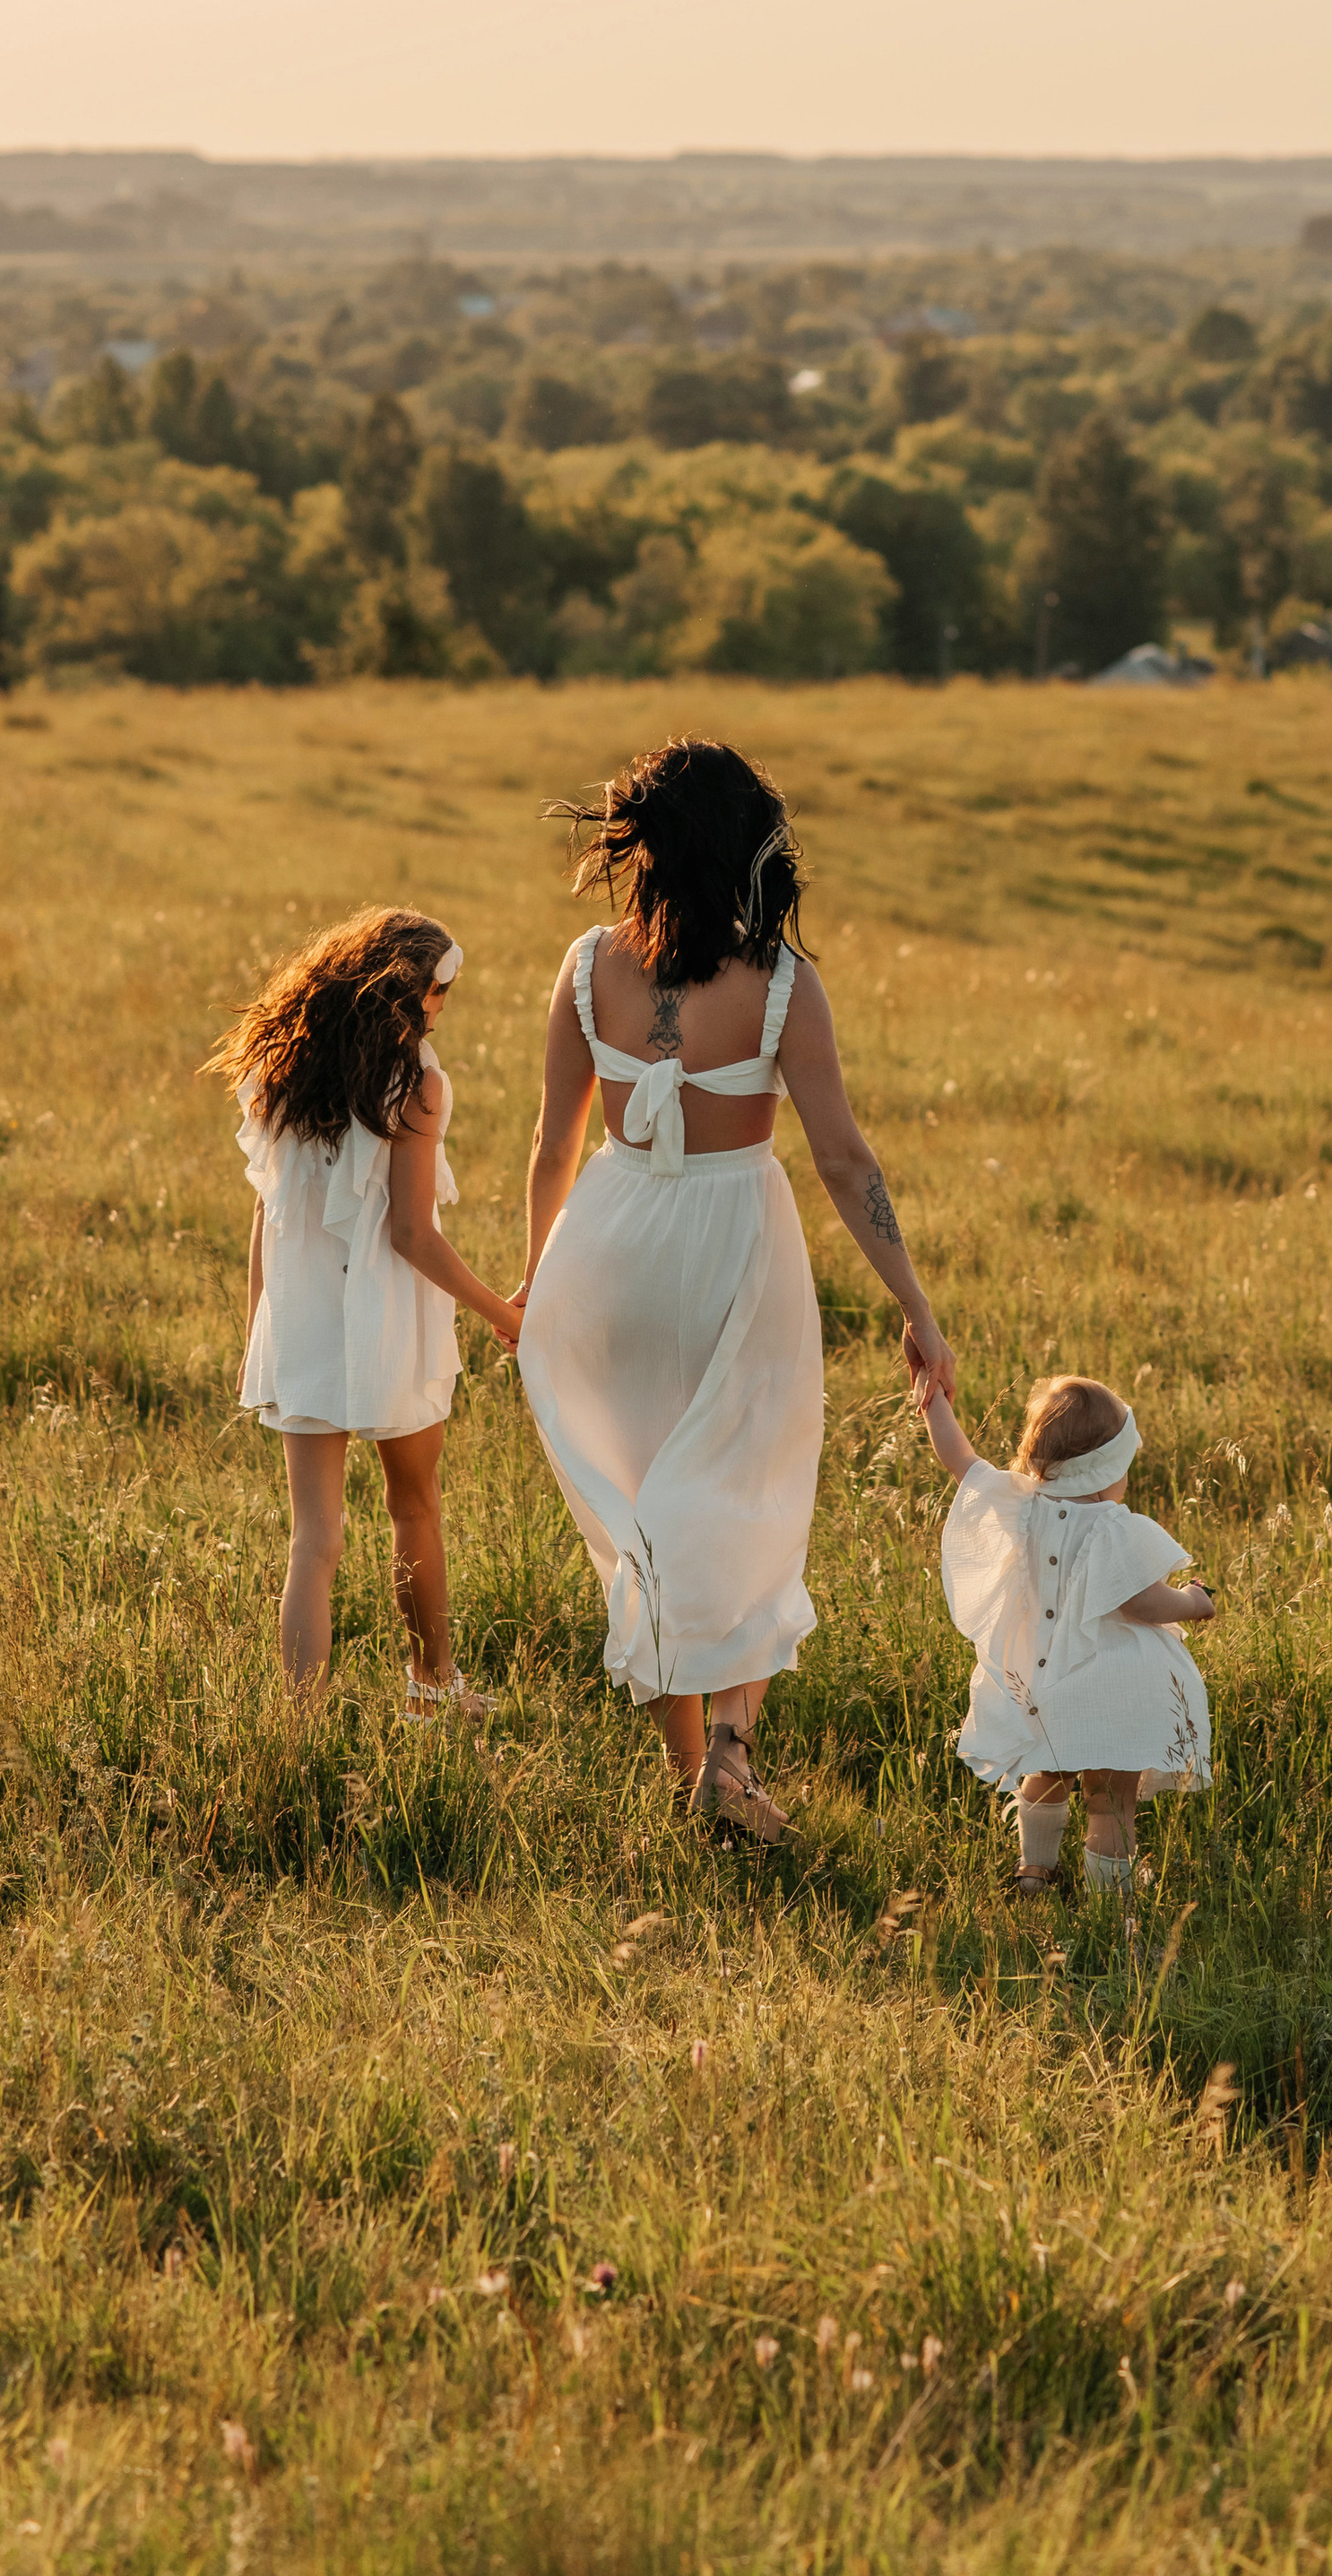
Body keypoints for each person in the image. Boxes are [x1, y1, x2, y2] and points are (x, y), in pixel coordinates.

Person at [515, 737, 953, 1843]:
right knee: (749, 1502)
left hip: (606, 1250)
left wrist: (536, 1284)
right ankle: (731, 1756)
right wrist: (915, 1304)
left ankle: (689, 1778)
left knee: (648, 1521)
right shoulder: (782, 986)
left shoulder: (583, 968)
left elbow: (548, 1147)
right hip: (730, 1253)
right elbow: (845, 1161)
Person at [205, 908, 524, 1708]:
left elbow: (265, 1216)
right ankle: (431, 1687)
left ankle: (297, 1726)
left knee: (313, 1540)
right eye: (440, 992)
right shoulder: (416, 1082)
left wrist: (259, 1330)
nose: (444, 1007)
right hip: (388, 1321)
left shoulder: (284, 1070)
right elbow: (412, 1234)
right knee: (413, 1507)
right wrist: (501, 1311)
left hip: (303, 1316)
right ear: (406, 994)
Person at [921, 1370, 1215, 1896]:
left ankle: (1034, 1873)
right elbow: (1145, 1602)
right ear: (1106, 1473)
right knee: (1109, 1800)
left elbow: (959, 1459)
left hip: (1040, 1683)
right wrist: (1194, 1602)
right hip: (1113, 1686)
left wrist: (933, 1397)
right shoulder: (1115, 1528)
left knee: (1046, 1777)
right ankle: (1111, 1898)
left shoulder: (1020, 1505)